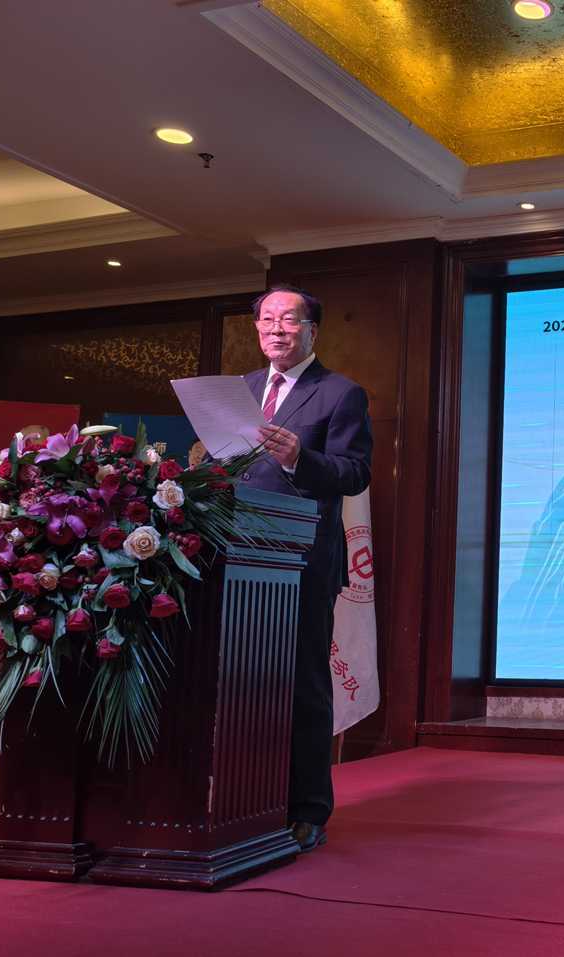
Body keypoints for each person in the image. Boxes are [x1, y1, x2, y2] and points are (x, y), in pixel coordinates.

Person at [238, 284, 373, 853]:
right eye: (267, 319)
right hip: (235, 554)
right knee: (241, 685)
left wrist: (299, 458)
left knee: (303, 685)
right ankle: (246, 796)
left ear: (312, 330)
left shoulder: (340, 393)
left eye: (289, 320)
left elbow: (354, 473)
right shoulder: (242, 389)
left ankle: (308, 808)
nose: (276, 329)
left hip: (301, 560)